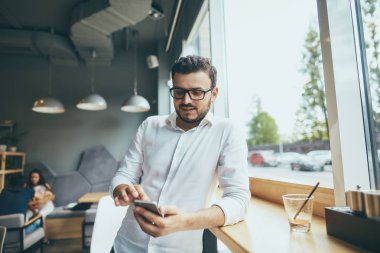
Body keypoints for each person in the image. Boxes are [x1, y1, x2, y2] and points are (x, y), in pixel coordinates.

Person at [110, 55, 250, 253]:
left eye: (197, 93)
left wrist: (183, 222)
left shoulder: (227, 131)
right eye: (179, 92)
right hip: (127, 245)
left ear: (214, 93)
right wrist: (123, 190)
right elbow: (124, 175)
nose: (186, 101)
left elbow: (238, 200)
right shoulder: (150, 126)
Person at [27, 169, 55, 243]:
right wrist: (34, 209)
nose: (33, 179)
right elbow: (28, 202)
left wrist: (38, 206)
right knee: (27, 215)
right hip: (34, 207)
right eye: (32, 177)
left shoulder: (44, 186)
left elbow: (49, 198)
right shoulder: (28, 188)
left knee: (40, 216)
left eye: (36, 177)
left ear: (39, 178)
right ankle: (25, 236)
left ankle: (44, 240)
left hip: (46, 205)